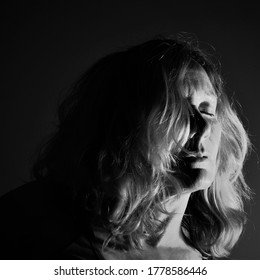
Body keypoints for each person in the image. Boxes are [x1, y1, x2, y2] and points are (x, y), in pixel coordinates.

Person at [0, 35, 251, 260]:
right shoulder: (29, 224)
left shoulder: (208, 263)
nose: (203, 127)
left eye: (208, 110)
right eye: (176, 110)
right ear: (122, 127)